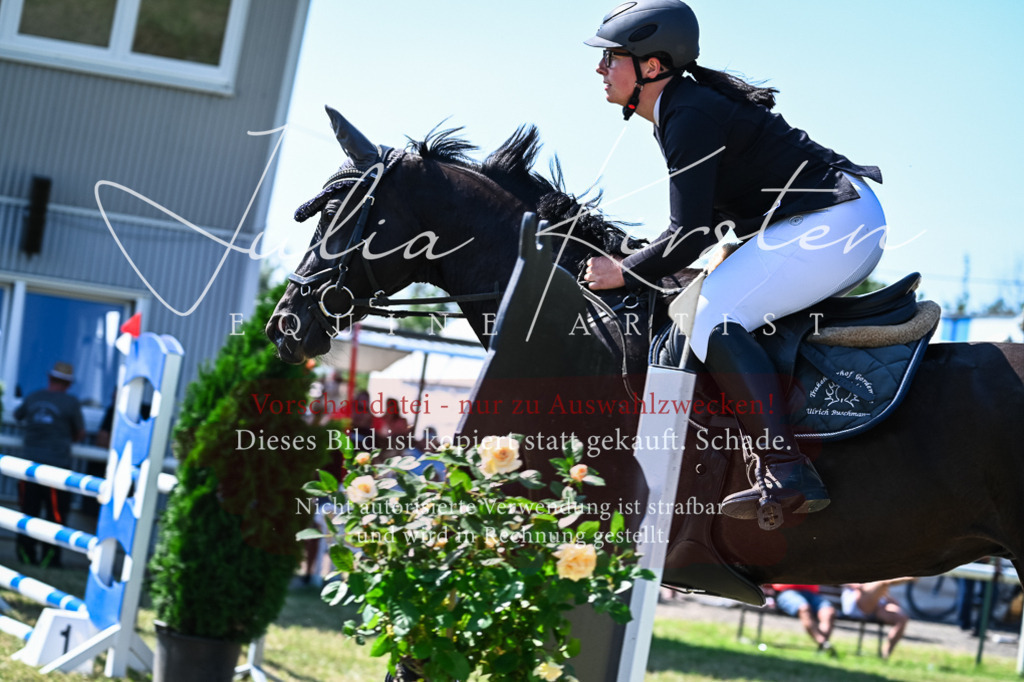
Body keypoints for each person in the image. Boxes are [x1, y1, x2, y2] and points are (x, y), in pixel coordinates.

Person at [582, 0, 887, 528]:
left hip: (833, 225)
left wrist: (624, 270)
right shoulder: (681, 107)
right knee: (701, 304)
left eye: (612, 57)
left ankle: (785, 468)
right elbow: (695, 228)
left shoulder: (688, 113)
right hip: (826, 221)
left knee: (707, 317)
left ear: (652, 66)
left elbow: (689, 232)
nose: (600, 68)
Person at [13, 361, 86, 567]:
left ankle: (25, 557)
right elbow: (79, 433)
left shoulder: (33, 397)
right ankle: (50, 560)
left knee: (28, 513)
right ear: (68, 383)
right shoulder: (71, 403)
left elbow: (17, 416)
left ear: (50, 378)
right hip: (57, 469)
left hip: (27, 467)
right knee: (55, 516)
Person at [841, 579, 912, 659]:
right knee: (882, 582)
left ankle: (886, 654)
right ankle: (905, 578)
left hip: (877, 603)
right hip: (857, 604)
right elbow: (859, 586)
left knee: (902, 618)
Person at [770, 584, 837, 656]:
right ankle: (824, 643)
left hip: (811, 593)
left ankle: (824, 646)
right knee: (804, 608)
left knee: (829, 612)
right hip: (787, 591)